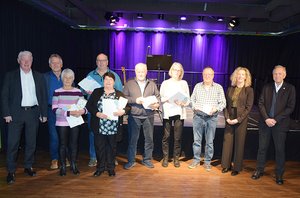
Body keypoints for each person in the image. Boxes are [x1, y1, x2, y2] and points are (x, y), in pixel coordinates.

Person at [1, 51, 47, 184]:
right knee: (12, 144)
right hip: (15, 114)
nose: (26, 62)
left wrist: (43, 113)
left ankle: (28, 166)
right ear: (18, 61)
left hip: (33, 113)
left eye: (29, 60)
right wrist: (6, 113)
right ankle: (11, 170)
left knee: (31, 143)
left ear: (32, 61)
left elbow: (42, 96)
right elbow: (4, 96)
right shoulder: (10, 76)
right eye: (23, 60)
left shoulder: (38, 76)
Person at [251, 65, 296, 185]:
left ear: (284, 75)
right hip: (265, 123)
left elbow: (290, 107)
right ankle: (259, 170)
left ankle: (279, 175)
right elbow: (260, 103)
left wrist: (275, 119)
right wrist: (266, 118)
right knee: (262, 148)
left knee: (280, 150)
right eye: (275, 74)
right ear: (273, 75)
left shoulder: (290, 88)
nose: (277, 76)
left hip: (280, 125)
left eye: (280, 74)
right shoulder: (267, 87)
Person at [86, 72, 130, 177]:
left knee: (112, 148)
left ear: (114, 82)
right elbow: (89, 105)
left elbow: (128, 107)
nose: (108, 82)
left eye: (110, 80)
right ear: (103, 81)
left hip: (113, 127)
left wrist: (122, 112)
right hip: (99, 125)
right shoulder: (97, 92)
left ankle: (111, 168)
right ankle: (100, 168)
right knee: (99, 147)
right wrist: (97, 113)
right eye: (106, 79)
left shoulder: (119, 94)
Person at [84, 53, 123, 167]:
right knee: (93, 134)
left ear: (107, 62)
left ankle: (111, 158)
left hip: (111, 112)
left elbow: (120, 93)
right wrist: (87, 92)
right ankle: (93, 157)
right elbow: (82, 91)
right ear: (96, 62)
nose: (101, 63)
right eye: (99, 60)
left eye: (103, 60)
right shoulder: (90, 75)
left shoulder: (114, 75)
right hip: (95, 112)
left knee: (112, 136)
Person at [123, 63, 160, 169]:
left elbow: (157, 97)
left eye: (143, 71)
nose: (141, 73)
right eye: (139, 71)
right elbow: (124, 98)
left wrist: (157, 104)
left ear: (146, 71)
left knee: (149, 139)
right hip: (134, 116)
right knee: (133, 140)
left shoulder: (152, 84)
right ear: (135, 72)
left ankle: (147, 160)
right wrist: (135, 100)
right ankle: (131, 161)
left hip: (149, 115)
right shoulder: (129, 84)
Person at [189, 67, 226, 171]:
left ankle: (207, 162)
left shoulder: (218, 87)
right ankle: (196, 160)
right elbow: (192, 100)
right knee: (196, 141)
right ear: (202, 75)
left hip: (211, 118)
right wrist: (194, 106)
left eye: (209, 74)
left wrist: (216, 109)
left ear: (213, 76)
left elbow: (223, 103)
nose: (207, 76)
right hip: (198, 117)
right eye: (205, 74)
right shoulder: (197, 86)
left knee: (209, 141)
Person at [52, 68, 87, 176]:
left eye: (70, 77)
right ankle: (62, 166)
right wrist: (69, 113)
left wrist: (82, 111)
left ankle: (73, 164)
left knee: (74, 144)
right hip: (62, 122)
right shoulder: (57, 92)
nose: (67, 79)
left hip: (75, 121)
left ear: (73, 79)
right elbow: (54, 109)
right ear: (62, 79)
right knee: (62, 144)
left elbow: (85, 108)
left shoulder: (78, 92)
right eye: (65, 77)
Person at [221, 67, 254, 176]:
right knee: (227, 142)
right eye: (238, 74)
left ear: (246, 77)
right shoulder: (230, 88)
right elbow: (225, 104)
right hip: (230, 117)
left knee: (239, 143)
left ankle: (236, 168)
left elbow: (248, 108)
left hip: (241, 119)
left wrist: (238, 119)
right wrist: (227, 118)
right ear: (235, 76)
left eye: (242, 75)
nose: (240, 76)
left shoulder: (249, 90)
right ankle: (226, 165)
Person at [160, 62, 190, 168]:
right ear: (171, 70)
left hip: (179, 112)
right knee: (166, 136)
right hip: (168, 112)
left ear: (181, 72)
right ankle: (165, 158)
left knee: (177, 137)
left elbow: (188, 99)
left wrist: (183, 103)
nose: (176, 72)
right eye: (175, 69)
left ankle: (176, 158)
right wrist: (168, 98)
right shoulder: (165, 83)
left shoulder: (184, 83)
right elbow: (161, 98)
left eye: (179, 70)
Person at [44, 54, 63, 170]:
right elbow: (41, 95)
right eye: (53, 63)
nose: (55, 65)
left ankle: (64, 157)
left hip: (65, 111)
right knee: (54, 136)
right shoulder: (44, 77)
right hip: (51, 110)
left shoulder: (67, 76)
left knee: (65, 136)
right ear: (50, 65)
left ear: (62, 64)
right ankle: (54, 159)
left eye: (57, 63)